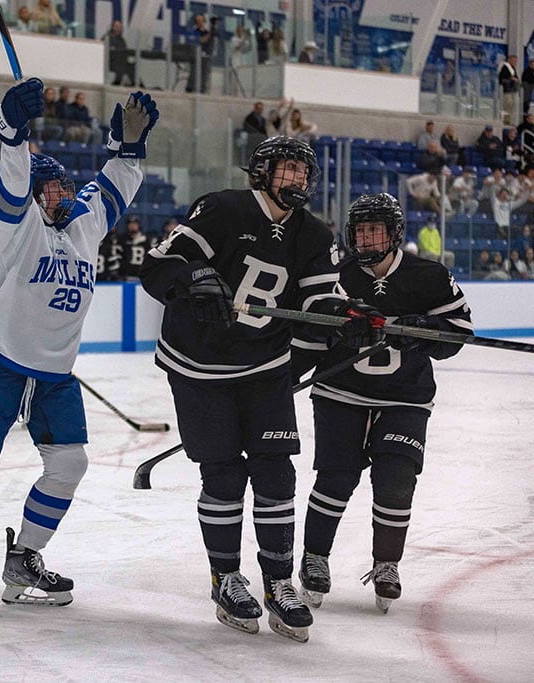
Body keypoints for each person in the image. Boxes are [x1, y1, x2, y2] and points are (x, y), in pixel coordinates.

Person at [0, 80, 158, 606]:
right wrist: (12, 132)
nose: (57, 197)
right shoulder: (8, 227)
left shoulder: (81, 228)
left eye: (61, 189)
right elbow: (13, 184)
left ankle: (24, 558)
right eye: (48, 190)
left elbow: (111, 189)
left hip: (53, 376)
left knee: (70, 465)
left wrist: (128, 149)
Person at [138, 135, 386, 642]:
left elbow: (319, 302)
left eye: (303, 171)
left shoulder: (313, 234)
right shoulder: (223, 209)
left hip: (266, 366)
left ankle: (278, 582)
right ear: (262, 171)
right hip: (199, 365)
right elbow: (159, 265)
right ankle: (226, 578)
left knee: (276, 474)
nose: (297, 179)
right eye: (288, 168)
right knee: (225, 476)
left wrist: (348, 320)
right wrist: (194, 280)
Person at [295, 193, 471, 614]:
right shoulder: (334, 272)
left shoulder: (428, 275)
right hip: (341, 392)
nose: (366, 238)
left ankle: (386, 564)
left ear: (394, 233)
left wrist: (426, 329)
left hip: (405, 397)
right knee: (336, 477)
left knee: (396, 480)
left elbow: (460, 330)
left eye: (375, 229)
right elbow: (309, 319)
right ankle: (314, 557)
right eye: (360, 229)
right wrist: (338, 330)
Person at [185, 14, 217, 94]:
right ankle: (190, 88)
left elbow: (211, 44)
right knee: (194, 72)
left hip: (206, 56)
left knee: (205, 73)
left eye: (201, 20)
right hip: (196, 56)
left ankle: (203, 89)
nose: (200, 22)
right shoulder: (194, 31)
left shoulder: (207, 32)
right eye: (198, 21)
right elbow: (200, 40)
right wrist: (210, 33)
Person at [118, 215, 153, 281]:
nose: (132, 226)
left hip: (140, 274)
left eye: (134, 224)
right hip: (126, 274)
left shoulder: (146, 240)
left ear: (138, 225)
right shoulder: (123, 239)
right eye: (131, 224)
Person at [104, 20, 136, 87]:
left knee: (131, 66)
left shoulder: (121, 39)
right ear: (112, 27)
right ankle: (116, 83)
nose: (118, 29)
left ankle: (135, 84)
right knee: (121, 67)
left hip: (121, 61)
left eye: (120, 27)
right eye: (116, 26)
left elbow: (124, 50)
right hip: (110, 61)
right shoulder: (107, 37)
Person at [499, 54, 519, 125]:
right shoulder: (505, 67)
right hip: (506, 90)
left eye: (516, 61)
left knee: (512, 105)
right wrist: (511, 78)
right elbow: (503, 77)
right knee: (508, 104)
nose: (515, 62)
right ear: (509, 60)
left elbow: (516, 77)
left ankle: (509, 120)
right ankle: (505, 120)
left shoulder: (513, 68)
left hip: (512, 89)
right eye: (514, 60)